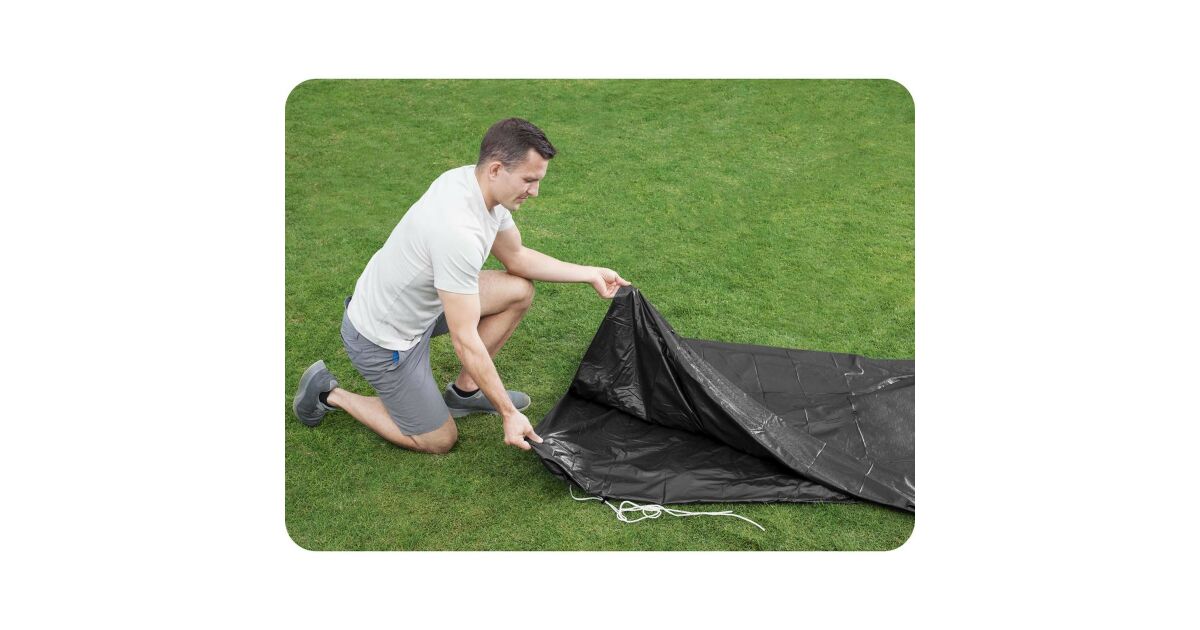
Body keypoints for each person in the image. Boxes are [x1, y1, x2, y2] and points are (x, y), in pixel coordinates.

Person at [292, 118, 630, 454]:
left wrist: (589, 273)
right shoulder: (457, 231)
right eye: (529, 180)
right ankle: (328, 393)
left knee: (518, 291)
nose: (535, 192)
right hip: (384, 340)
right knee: (438, 439)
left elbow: (516, 257)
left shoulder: (476, 185)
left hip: (427, 303)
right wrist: (508, 413)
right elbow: (465, 340)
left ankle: (465, 393)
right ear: (496, 169)